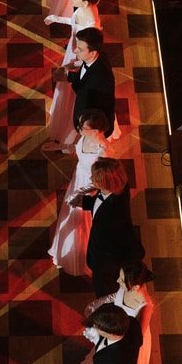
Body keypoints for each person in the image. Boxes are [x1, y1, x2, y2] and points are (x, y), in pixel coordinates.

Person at [85, 261, 156, 364]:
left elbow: (137, 335)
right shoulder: (127, 286)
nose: (117, 281)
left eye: (121, 280)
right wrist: (97, 306)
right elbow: (116, 297)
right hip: (116, 332)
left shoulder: (146, 306)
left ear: (135, 287)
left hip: (131, 343)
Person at [48, 109, 112, 275]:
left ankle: (80, 258)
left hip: (88, 191)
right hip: (77, 181)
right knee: (69, 217)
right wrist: (60, 146)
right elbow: (77, 148)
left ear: (96, 130)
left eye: (82, 127)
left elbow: (100, 181)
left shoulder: (104, 151)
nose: (79, 129)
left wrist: (79, 194)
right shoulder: (85, 136)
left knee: (82, 223)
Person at [44, 0, 101, 150]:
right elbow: (74, 21)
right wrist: (55, 18)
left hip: (79, 59)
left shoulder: (93, 25)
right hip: (73, 50)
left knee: (72, 95)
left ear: (85, 2)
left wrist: (71, 66)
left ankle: (68, 133)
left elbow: (88, 56)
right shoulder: (84, 8)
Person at [79, 158, 145, 297]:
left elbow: (121, 239)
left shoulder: (113, 216)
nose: (91, 179)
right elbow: (100, 202)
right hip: (106, 255)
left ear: (107, 183)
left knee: (105, 294)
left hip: (107, 265)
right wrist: (85, 202)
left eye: (96, 179)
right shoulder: (120, 186)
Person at [61, 26, 115, 139]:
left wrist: (83, 128)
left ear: (92, 53)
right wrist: (70, 74)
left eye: (80, 49)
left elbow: (99, 113)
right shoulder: (100, 56)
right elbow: (84, 77)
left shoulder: (101, 81)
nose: (75, 51)